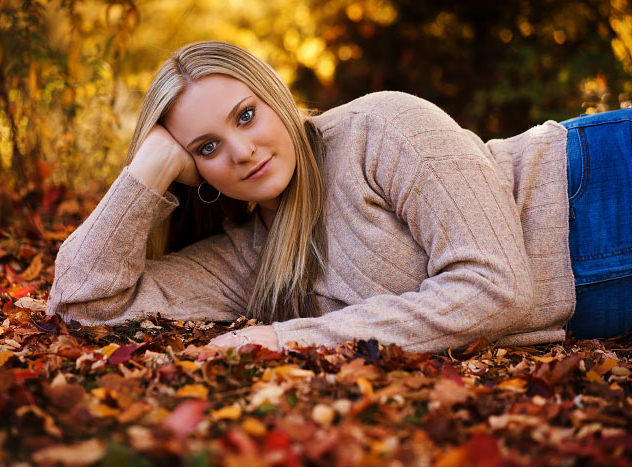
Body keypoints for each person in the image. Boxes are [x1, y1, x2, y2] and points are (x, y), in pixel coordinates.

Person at [45, 41, 632, 353]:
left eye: (246, 116)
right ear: (192, 173)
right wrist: (145, 174)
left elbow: (497, 286)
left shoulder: (380, 127)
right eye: (206, 146)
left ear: (275, 95)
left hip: (596, 182)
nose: (242, 151)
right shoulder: (248, 260)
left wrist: (288, 339)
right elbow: (82, 303)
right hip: (593, 304)